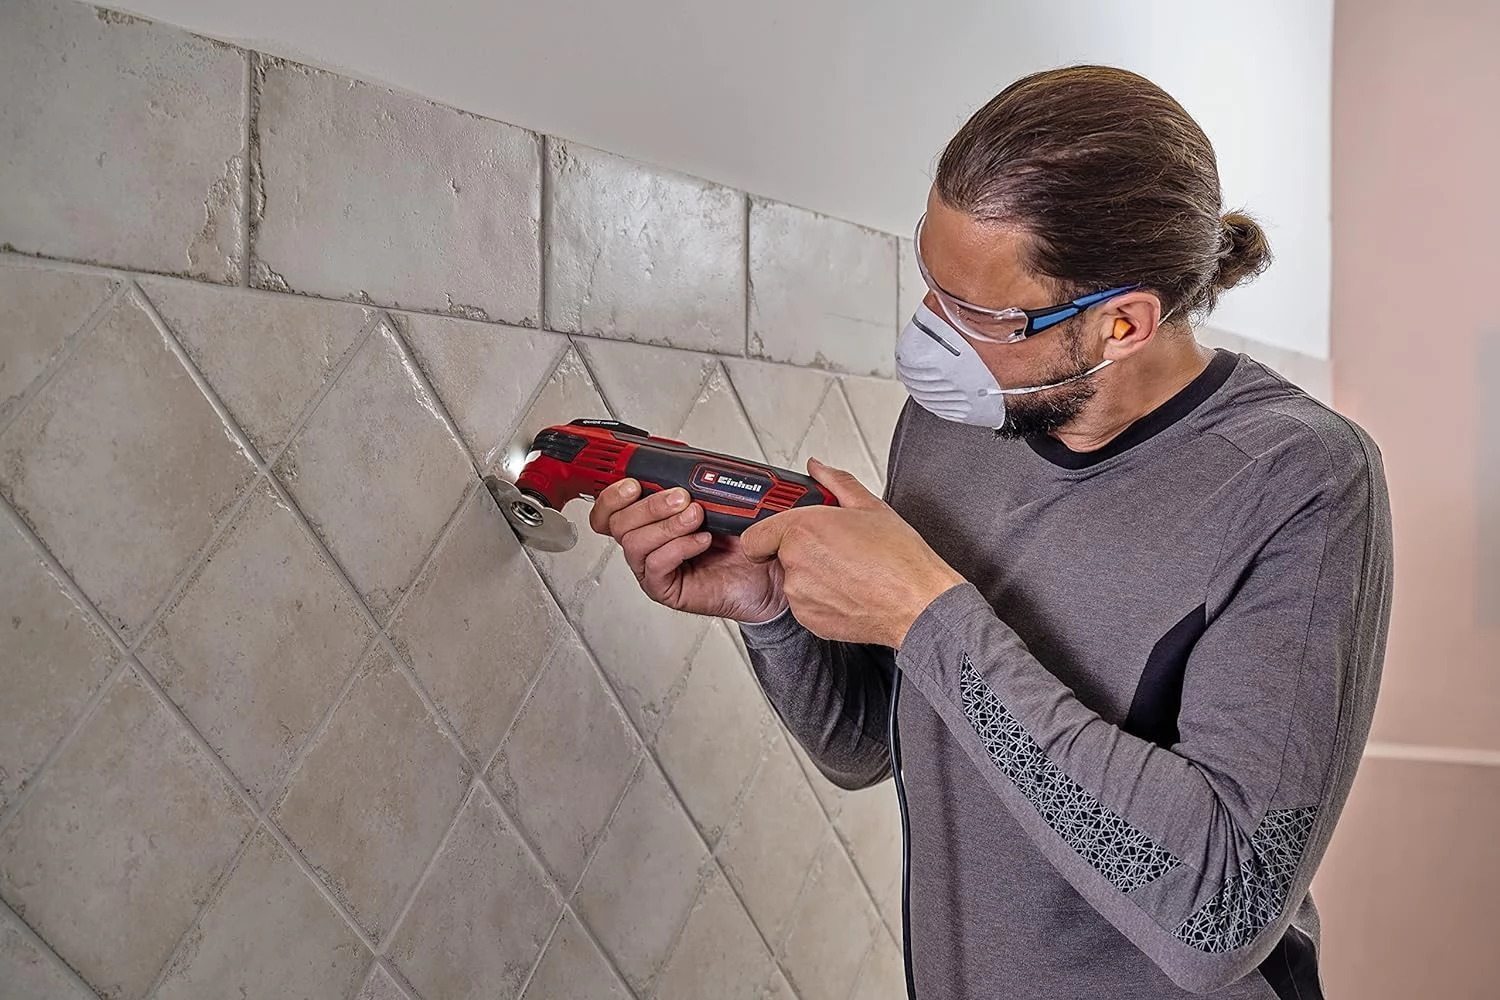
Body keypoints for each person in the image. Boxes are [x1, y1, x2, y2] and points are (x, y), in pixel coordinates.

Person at [588, 65, 1392, 1000]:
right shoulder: (951, 428)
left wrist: (926, 615)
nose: (929, 335)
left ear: (1122, 324)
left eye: (977, 314)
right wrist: (775, 612)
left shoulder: (1300, 478)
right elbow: (869, 743)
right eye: (932, 284)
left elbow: (1223, 916)